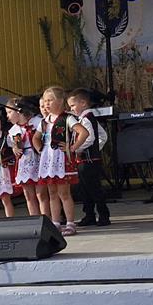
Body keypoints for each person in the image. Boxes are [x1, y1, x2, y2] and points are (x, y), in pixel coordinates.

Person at [32, 86, 83, 235]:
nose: (46, 104)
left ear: (60, 101)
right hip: (48, 160)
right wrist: (41, 149)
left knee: (64, 193)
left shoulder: (67, 118)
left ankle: (70, 223)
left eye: (50, 100)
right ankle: (55, 223)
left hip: (61, 159)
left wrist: (72, 147)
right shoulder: (44, 121)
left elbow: (83, 132)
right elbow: (35, 138)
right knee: (52, 193)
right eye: (45, 101)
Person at [67, 89, 111, 227]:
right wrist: (97, 149)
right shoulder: (86, 118)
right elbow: (103, 136)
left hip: (88, 161)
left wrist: (77, 149)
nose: (71, 109)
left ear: (83, 103)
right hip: (86, 160)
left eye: (73, 105)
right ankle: (89, 215)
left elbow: (90, 137)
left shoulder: (86, 119)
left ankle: (103, 216)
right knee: (84, 189)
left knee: (94, 189)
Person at [9, 98, 44, 219]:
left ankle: (47, 219)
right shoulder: (13, 130)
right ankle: (34, 219)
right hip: (25, 161)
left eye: (9, 112)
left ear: (19, 111)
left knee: (41, 194)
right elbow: (14, 145)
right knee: (28, 195)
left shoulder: (37, 122)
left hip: (38, 157)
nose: (7, 116)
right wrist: (15, 148)